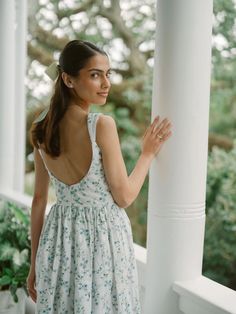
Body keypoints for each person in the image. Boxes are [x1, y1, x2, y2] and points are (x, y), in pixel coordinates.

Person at [26, 39, 172, 313]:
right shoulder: (101, 125)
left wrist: (34, 265)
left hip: (60, 240)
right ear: (68, 80)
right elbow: (125, 196)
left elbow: (38, 200)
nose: (106, 83)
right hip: (103, 241)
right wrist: (147, 154)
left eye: (108, 74)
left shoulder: (39, 128)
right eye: (95, 75)